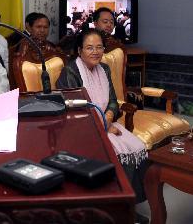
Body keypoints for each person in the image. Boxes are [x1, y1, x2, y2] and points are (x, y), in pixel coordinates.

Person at [56, 29, 148, 219]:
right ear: (80, 50)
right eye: (89, 48)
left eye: (99, 47)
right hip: (80, 128)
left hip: (105, 122)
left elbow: (113, 101)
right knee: (117, 153)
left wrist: (107, 118)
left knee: (137, 148)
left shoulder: (104, 68)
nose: (95, 52)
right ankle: (112, 209)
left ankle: (128, 206)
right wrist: (104, 126)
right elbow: (75, 111)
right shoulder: (70, 72)